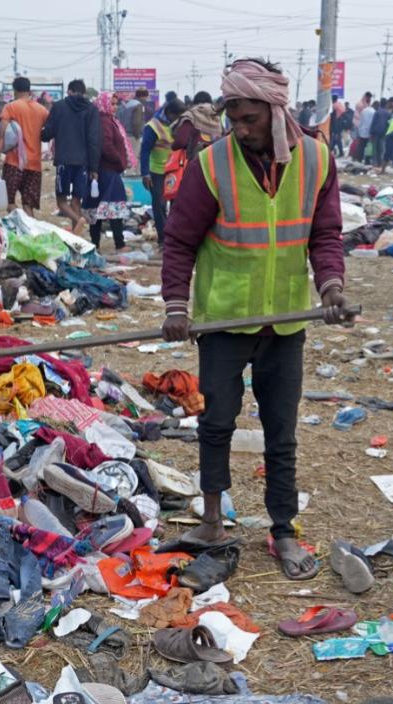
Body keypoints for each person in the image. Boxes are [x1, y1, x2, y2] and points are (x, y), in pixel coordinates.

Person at [160, 59, 351, 581]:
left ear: (274, 109)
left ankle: (283, 530)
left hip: (286, 322)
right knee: (216, 422)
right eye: (233, 119)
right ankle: (214, 522)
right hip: (224, 319)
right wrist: (177, 305)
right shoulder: (212, 164)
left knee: (281, 431)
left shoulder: (315, 159)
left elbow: (325, 234)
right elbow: (179, 241)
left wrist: (331, 284)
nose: (240, 130)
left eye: (249, 119)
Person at [41, 79, 99, 233]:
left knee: (61, 202)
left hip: (63, 161)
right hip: (83, 162)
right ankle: (77, 240)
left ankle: (79, 220)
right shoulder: (91, 109)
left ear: (69, 91)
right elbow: (94, 140)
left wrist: (40, 133)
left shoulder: (59, 107)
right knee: (76, 201)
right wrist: (94, 167)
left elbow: (47, 134)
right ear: (84, 92)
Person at [0, 76, 49, 216]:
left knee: (9, 202)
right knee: (28, 205)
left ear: (15, 90)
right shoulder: (42, 110)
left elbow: (0, 135)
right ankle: (31, 230)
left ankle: (22, 221)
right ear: (29, 90)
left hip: (14, 162)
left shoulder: (11, 107)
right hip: (35, 163)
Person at [83, 91, 131, 253]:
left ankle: (96, 244)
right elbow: (106, 146)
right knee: (113, 208)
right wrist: (120, 160)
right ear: (103, 104)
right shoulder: (104, 122)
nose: (115, 107)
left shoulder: (108, 120)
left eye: (116, 104)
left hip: (104, 171)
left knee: (99, 208)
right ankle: (119, 243)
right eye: (112, 103)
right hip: (107, 171)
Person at [140, 97, 185, 245]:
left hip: (174, 172)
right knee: (159, 206)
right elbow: (145, 150)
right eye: (176, 116)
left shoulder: (178, 125)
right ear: (169, 113)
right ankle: (163, 239)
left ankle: (173, 236)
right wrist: (145, 173)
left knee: (175, 204)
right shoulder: (152, 127)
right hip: (157, 172)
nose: (178, 120)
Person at [119, 88, 147, 175]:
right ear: (143, 96)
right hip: (134, 136)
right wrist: (138, 135)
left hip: (126, 134)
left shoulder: (128, 104)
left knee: (130, 158)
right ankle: (132, 180)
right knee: (134, 158)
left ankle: (133, 176)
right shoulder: (139, 106)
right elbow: (137, 122)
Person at [370, 98, 392, 167]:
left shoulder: (377, 112)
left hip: (376, 133)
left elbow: (373, 123)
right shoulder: (388, 113)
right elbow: (389, 124)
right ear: (386, 104)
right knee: (381, 149)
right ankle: (380, 163)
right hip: (383, 133)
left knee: (375, 149)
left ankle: (374, 162)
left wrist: (371, 133)